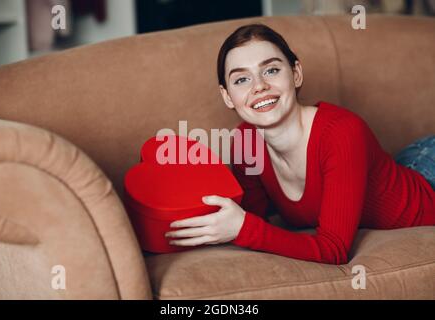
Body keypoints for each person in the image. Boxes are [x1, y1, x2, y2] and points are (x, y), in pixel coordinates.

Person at [165, 24, 435, 264]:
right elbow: (252, 220)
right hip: (404, 163)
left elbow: (333, 250)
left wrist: (243, 228)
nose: (259, 86)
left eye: (271, 70)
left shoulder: (341, 132)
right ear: (226, 96)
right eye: (241, 79)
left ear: (295, 74)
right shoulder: (245, 142)